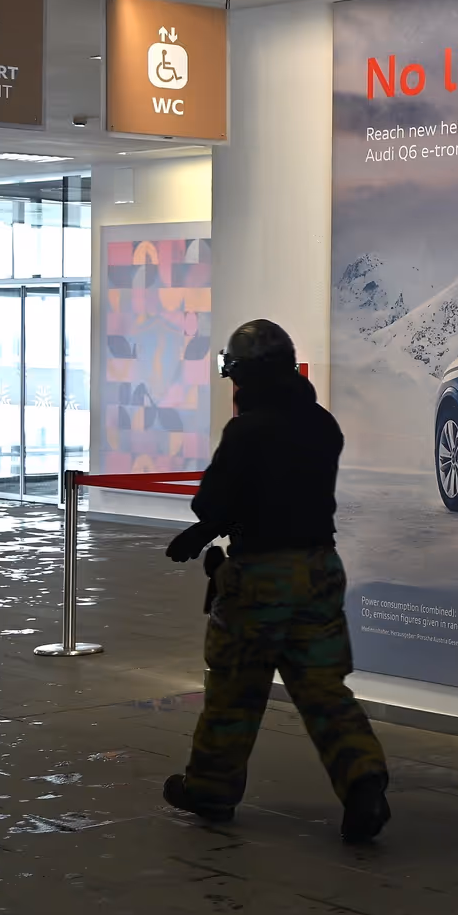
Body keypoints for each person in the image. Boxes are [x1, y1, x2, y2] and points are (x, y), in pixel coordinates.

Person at [162, 319, 392, 843]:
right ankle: (363, 782)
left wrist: (208, 524)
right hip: (318, 569)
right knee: (324, 691)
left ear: (246, 376)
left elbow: (215, 501)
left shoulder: (248, 429)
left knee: (234, 690)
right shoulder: (322, 424)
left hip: (260, 576)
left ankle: (211, 790)